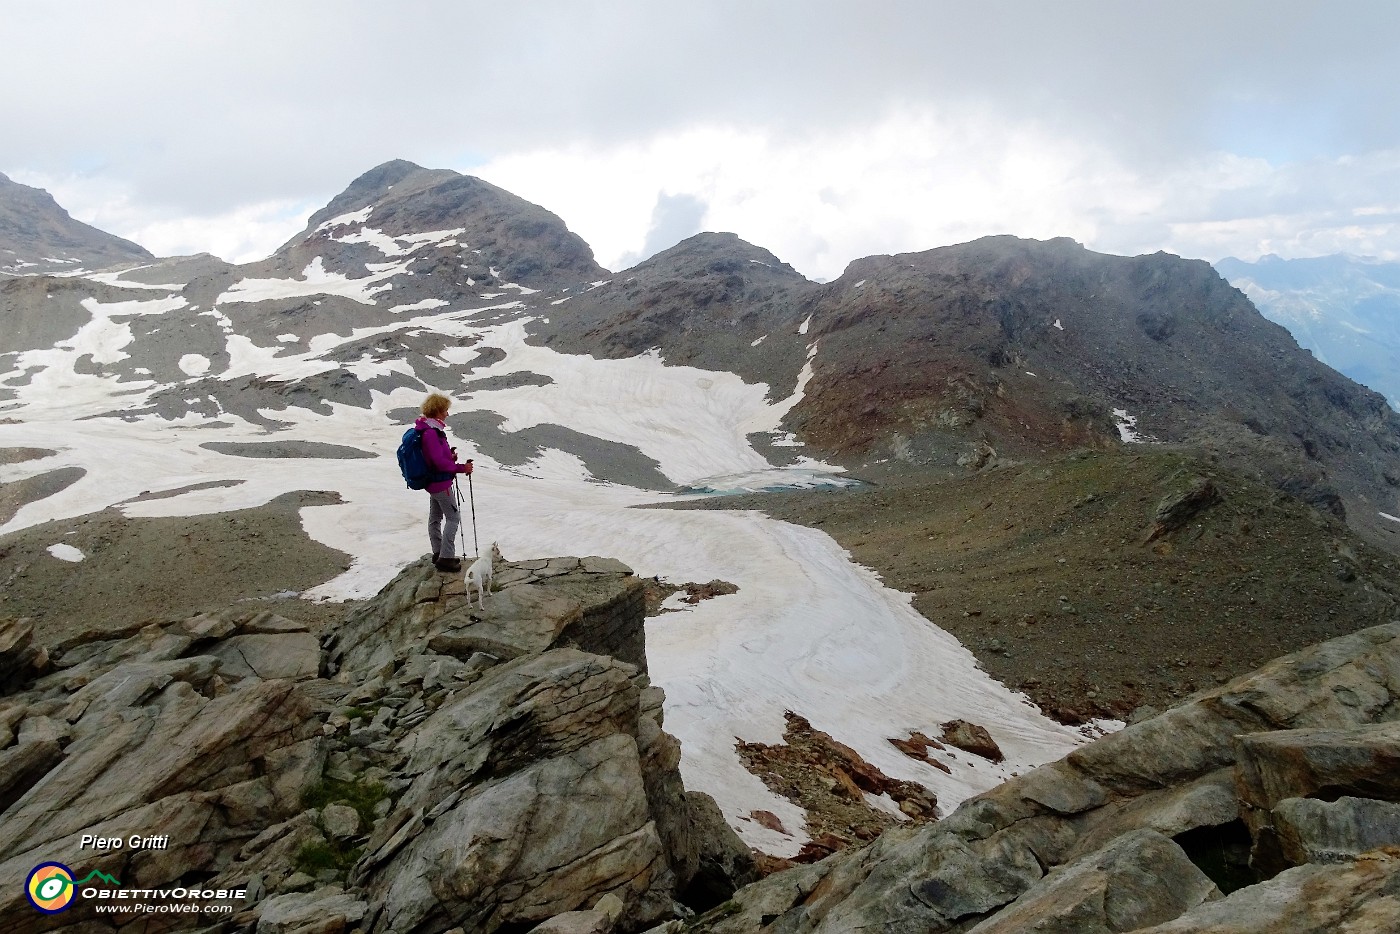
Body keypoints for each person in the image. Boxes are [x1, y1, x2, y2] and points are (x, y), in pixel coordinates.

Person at [415, 393, 474, 572]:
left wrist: (450, 456)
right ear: (438, 411)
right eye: (445, 410)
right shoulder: (432, 433)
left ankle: (438, 552)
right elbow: (439, 463)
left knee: (435, 518)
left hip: (432, 483)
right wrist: (462, 468)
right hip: (441, 483)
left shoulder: (426, 429)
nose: (447, 414)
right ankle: (446, 558)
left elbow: (437, 458)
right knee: (453, 518)